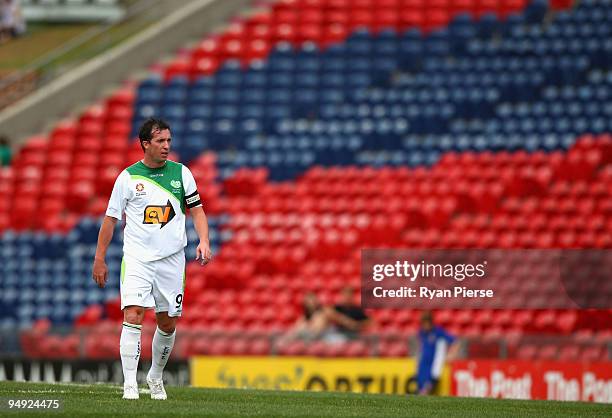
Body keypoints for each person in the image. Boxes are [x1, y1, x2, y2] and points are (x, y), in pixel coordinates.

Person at [92, 118, 212, 400]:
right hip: (137, 259)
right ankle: (130, 384)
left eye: (169, 140)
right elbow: (110, 220)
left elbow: (197, 211)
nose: (166, 146)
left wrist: (204, 240)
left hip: (172, 260)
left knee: (167, 322)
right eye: (160, 141)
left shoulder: (182, 174)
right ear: (145, 144)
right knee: (133, 314)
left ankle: (155, 377)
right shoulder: (128, 178)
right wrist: (99, 258)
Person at [415, 311, 459, 395]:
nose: (424, 326)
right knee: (420, 386)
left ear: (430, 323)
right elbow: (420, 345)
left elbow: (455, 341)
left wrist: (451, 355)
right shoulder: (422, 332)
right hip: (423, 363)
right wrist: (418, 358)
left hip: (433, 364)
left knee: (427, 387)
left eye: (426, 323)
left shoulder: (438, 332)